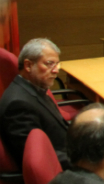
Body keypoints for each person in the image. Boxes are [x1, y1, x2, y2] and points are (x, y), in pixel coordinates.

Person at [0, 38, 69, 169]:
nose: (56, 70)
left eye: (57, 64)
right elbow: (37, 158)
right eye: (49, 64)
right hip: (63, 171)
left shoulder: (34, 88)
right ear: (28, 66)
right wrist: (85, 161)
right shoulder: (18, 105)